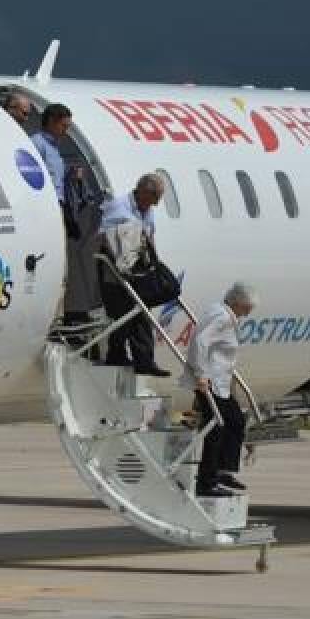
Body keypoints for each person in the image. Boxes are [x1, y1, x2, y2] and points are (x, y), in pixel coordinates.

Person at [183, 282, 258, 498]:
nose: (249, 311)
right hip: (209, 383)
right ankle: (207, 482)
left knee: (235, 422)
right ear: (236, 302)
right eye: (247, 306)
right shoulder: (221, 317)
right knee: (216, 429)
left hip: (220, 383)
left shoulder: (226, 315)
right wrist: (201, 375)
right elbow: (199, 342)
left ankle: (223, 471)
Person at [98, 173, 167, 376]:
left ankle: (137, 359)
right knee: (124, 312)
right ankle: (124, 356)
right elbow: (102, 237)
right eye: (153, 199)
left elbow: (150, 235)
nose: (153, 205)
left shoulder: (147, 210)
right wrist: (120, 262)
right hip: (116, 268)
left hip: (138, 268)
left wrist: (155, 263)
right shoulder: (118, 207)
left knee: (140, 311)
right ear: (143, 192)